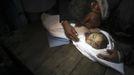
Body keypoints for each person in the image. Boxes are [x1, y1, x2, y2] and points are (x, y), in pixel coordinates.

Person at [59, 0, 134, 65]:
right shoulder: (102, 9)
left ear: (95, 6)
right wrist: (64, 21)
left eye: (88, 20)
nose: (88, 27)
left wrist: (123, 56)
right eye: (84, 24)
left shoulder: (127, 18)